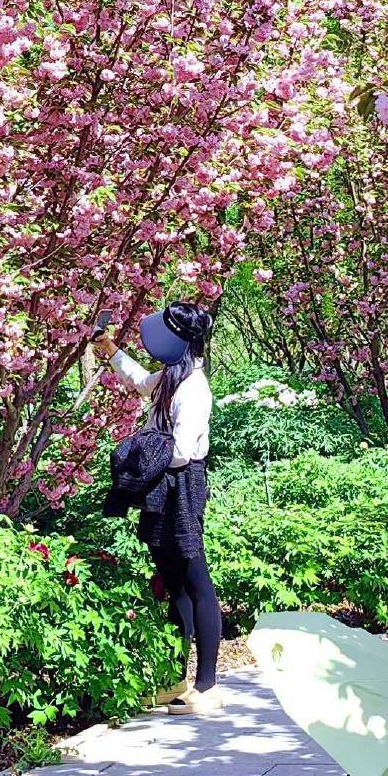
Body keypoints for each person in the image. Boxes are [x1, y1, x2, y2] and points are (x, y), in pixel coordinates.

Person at [94, 302, 221, 716]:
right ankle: (175, 679)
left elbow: (183, 452)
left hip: (181, 486)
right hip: (159, 486)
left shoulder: (194, 388)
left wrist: (142, 448)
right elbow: (142, 383)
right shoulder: (171, 375)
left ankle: (207, 685)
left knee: (196, 580)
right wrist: (111, 351)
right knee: (173, 581)